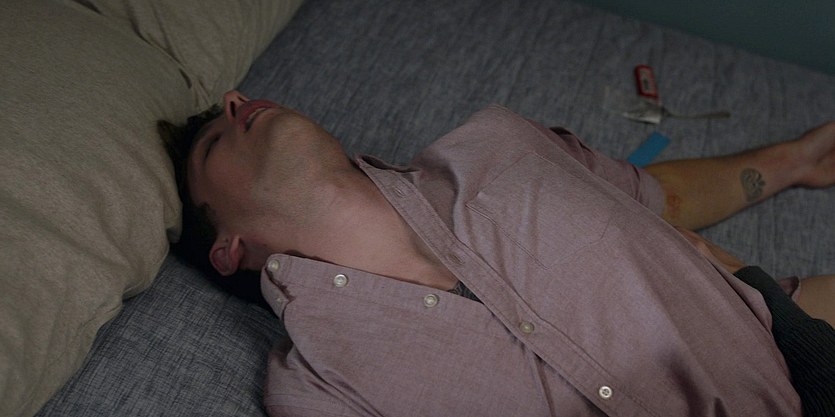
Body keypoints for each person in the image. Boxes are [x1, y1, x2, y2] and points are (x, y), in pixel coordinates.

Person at [161, 90, 835, 416]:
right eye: (213, 141)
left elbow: (661, 199)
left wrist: (789, 163)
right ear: (228, 249)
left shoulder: (496, 144)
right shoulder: (314, 389)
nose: (236, 99)